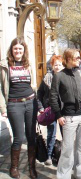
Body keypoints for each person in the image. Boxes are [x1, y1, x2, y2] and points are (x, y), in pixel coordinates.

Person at [50, 48, 81, 179]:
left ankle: (79, 174)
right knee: (67, 150)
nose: (80, 60)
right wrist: (58, 115)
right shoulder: (59, 76)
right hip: (69, 117)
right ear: (68, 59)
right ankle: (63, 176)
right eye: (77, 58)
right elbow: (53, 97)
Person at [0, 37, 40, 179]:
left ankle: (32, 168)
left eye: (20, 49)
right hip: (14, 104)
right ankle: (14, 167)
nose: (18, 51)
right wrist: (3, 108)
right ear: (12, 50)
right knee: (18, 137)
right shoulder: (4, 64)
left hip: (30, 102)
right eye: (15, 48)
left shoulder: (28, 64)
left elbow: (33, 85)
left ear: (24, 51)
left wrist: (38, 104)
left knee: (31, 137)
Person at [37, 55, 64, 165]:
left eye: (60, 64)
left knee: (65, 133)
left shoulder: (66, 76)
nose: (57, 67)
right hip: (50, 110)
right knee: (51, 133)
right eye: (55, 64)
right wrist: (41, 107)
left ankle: (65, 156)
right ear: (52, 66)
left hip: (63, 110)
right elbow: (39, 93)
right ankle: (48, 155)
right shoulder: (47, 77)